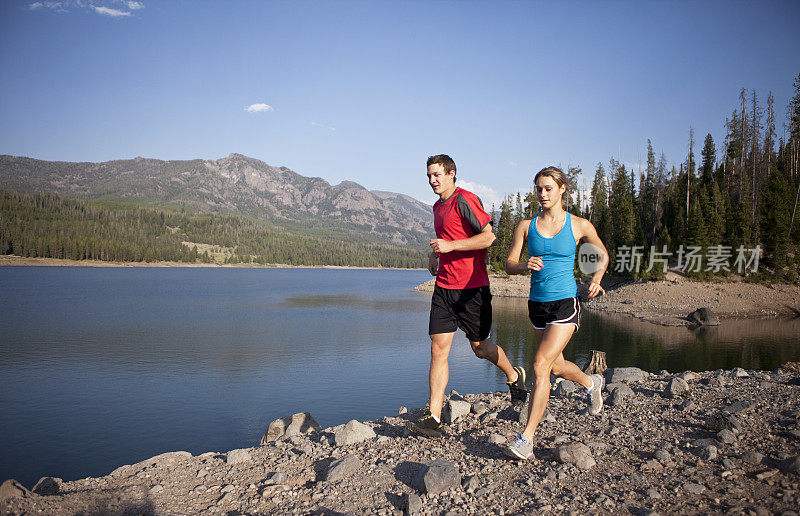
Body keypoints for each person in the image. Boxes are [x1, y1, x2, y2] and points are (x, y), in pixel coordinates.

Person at [406, 154, 527, 438]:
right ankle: (434, 416)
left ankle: (513, 375)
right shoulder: (437, 207)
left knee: (479, 348)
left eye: (437, 175)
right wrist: (435, 255)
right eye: (429, 176)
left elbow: (489, 237)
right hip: (444, 289)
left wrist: (451, 247)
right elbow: (445, 238)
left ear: (451, 174)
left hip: (472, 289)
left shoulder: (465, 199)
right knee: (438, 349)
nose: (432, 181)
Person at [502, 166, 609, 460]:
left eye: (549, 188)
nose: (543, 194)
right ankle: (591, 382)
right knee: (557, 366)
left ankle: (526, 439)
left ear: (562, 189)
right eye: (539, 189)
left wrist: (596, 280)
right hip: (536, 304)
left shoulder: (579, 225)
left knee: (539, 365)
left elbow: (601, 255)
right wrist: (525, 265)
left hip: (566, 302)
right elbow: (509, 264)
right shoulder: (526, 226)